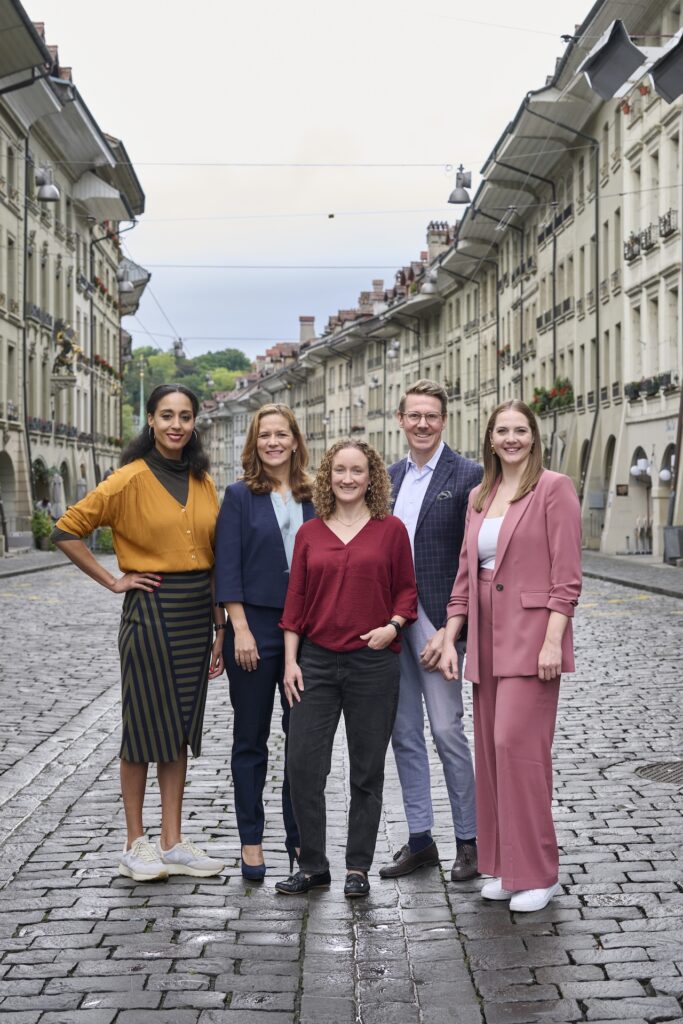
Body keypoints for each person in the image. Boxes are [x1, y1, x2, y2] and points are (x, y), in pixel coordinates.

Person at [53, 384, 226, 883]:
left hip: (197, 612)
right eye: (167, 415)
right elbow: (66, 530)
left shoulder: (202, 480)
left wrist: (220, 627)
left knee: (179, 728)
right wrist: (113, 579)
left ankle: (172, 842)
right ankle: (135, 842)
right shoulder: (127, 479)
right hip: (150, 609)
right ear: (150, 420)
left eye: (185, 416)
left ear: (195, 423)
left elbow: (215, 558)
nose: (176, 425)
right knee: (144, 724)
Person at [440, 399, 581, 913]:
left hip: (531, 637)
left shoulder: (553, 488)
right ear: (491, 439)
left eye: (521, 430)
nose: (512, 438)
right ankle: (504, 866)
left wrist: (552, 640)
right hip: (484, 639)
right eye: (503, 430)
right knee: (492, 756)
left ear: (534, 436)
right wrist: (451, 633)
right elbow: (463, 573)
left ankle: (540, 872)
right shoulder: (480, 494)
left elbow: (567, 577)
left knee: (519, 751)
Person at [275, 440, 417, 898]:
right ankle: (313, 865)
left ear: (371, 475)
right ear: (328, 476)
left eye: (358, 470)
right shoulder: (310, 533)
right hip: (314, 661)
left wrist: (392, 628)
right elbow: (294, 601)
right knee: (302, 767)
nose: (349, 478)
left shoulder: (390, 530)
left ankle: (357, 866)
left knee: (366, 770)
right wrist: (291, 661)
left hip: (372, 663)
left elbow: (406, 593)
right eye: (340, 470)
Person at [380, 380, 483, 884]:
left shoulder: (469, 476)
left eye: (432, 416)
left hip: (440, 624)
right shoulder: (389, 477)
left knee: (446, 731)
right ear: (400, 419)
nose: (423, 424)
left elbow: (474, 559)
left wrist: (450, 630)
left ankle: (471, 840)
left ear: (444, 421)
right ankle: (420, 839)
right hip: (392, 623)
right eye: (414, 415)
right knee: (404, 734)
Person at [214, 404, 315, 881]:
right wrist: (239, 629)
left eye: (282, 434)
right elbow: (226, 565)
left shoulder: (317, 494)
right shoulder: (239, 496)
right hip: (254, 630)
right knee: (250, 740)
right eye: (264, 436)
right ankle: (251, 843)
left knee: (302, 744)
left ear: (296, 440)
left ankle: (301, 845)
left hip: (308, 633)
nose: (273, 442)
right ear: (254, 445)